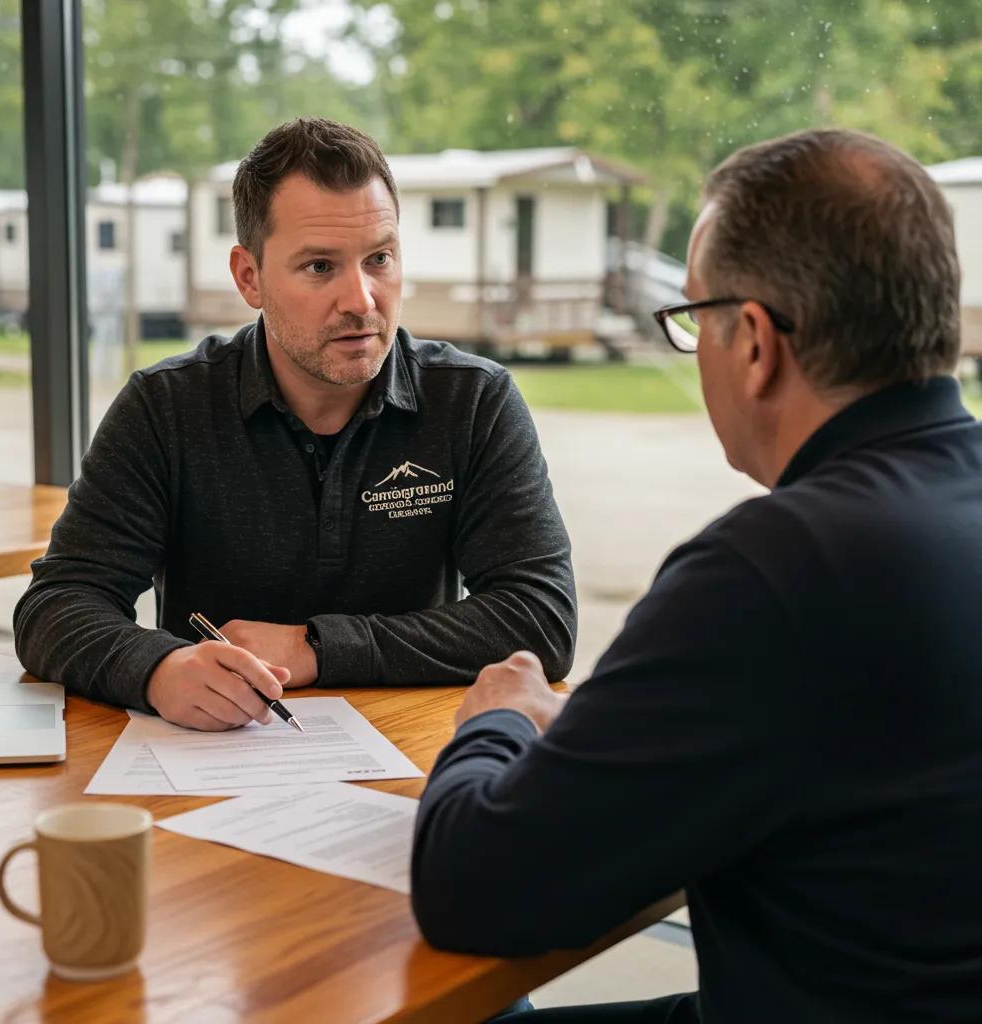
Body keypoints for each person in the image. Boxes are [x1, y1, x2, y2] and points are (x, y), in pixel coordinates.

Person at [410, 128, 982, 1023]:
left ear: (753, 342)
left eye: (691, 319)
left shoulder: (775, 570)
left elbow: (470, 889)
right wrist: (605, 732)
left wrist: (500, 726)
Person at [14, 118, 576, 731]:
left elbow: (540, 616)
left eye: (379, 258)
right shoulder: (166, 407)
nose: (361, 299)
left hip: (410, 754)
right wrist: (158, 668)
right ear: (248, 277)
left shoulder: (473, 400)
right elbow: (56, 605)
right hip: (208, 758)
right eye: (319, 267)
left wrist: (316, 647)